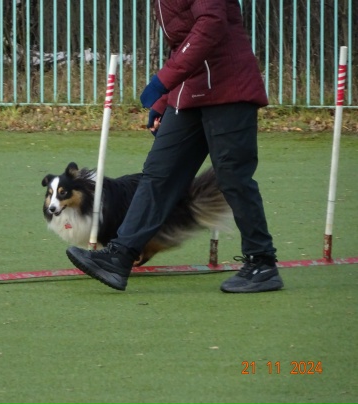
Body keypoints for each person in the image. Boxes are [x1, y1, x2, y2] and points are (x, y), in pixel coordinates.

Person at [66, 0, 284, 293]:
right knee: (159, 174)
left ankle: (262, 263)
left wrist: (163, 80)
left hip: (229, 88)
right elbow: (184, 45)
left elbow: (210, 25)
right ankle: (120, 256)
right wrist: (164, 99)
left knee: (233, 177)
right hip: (189, 93)